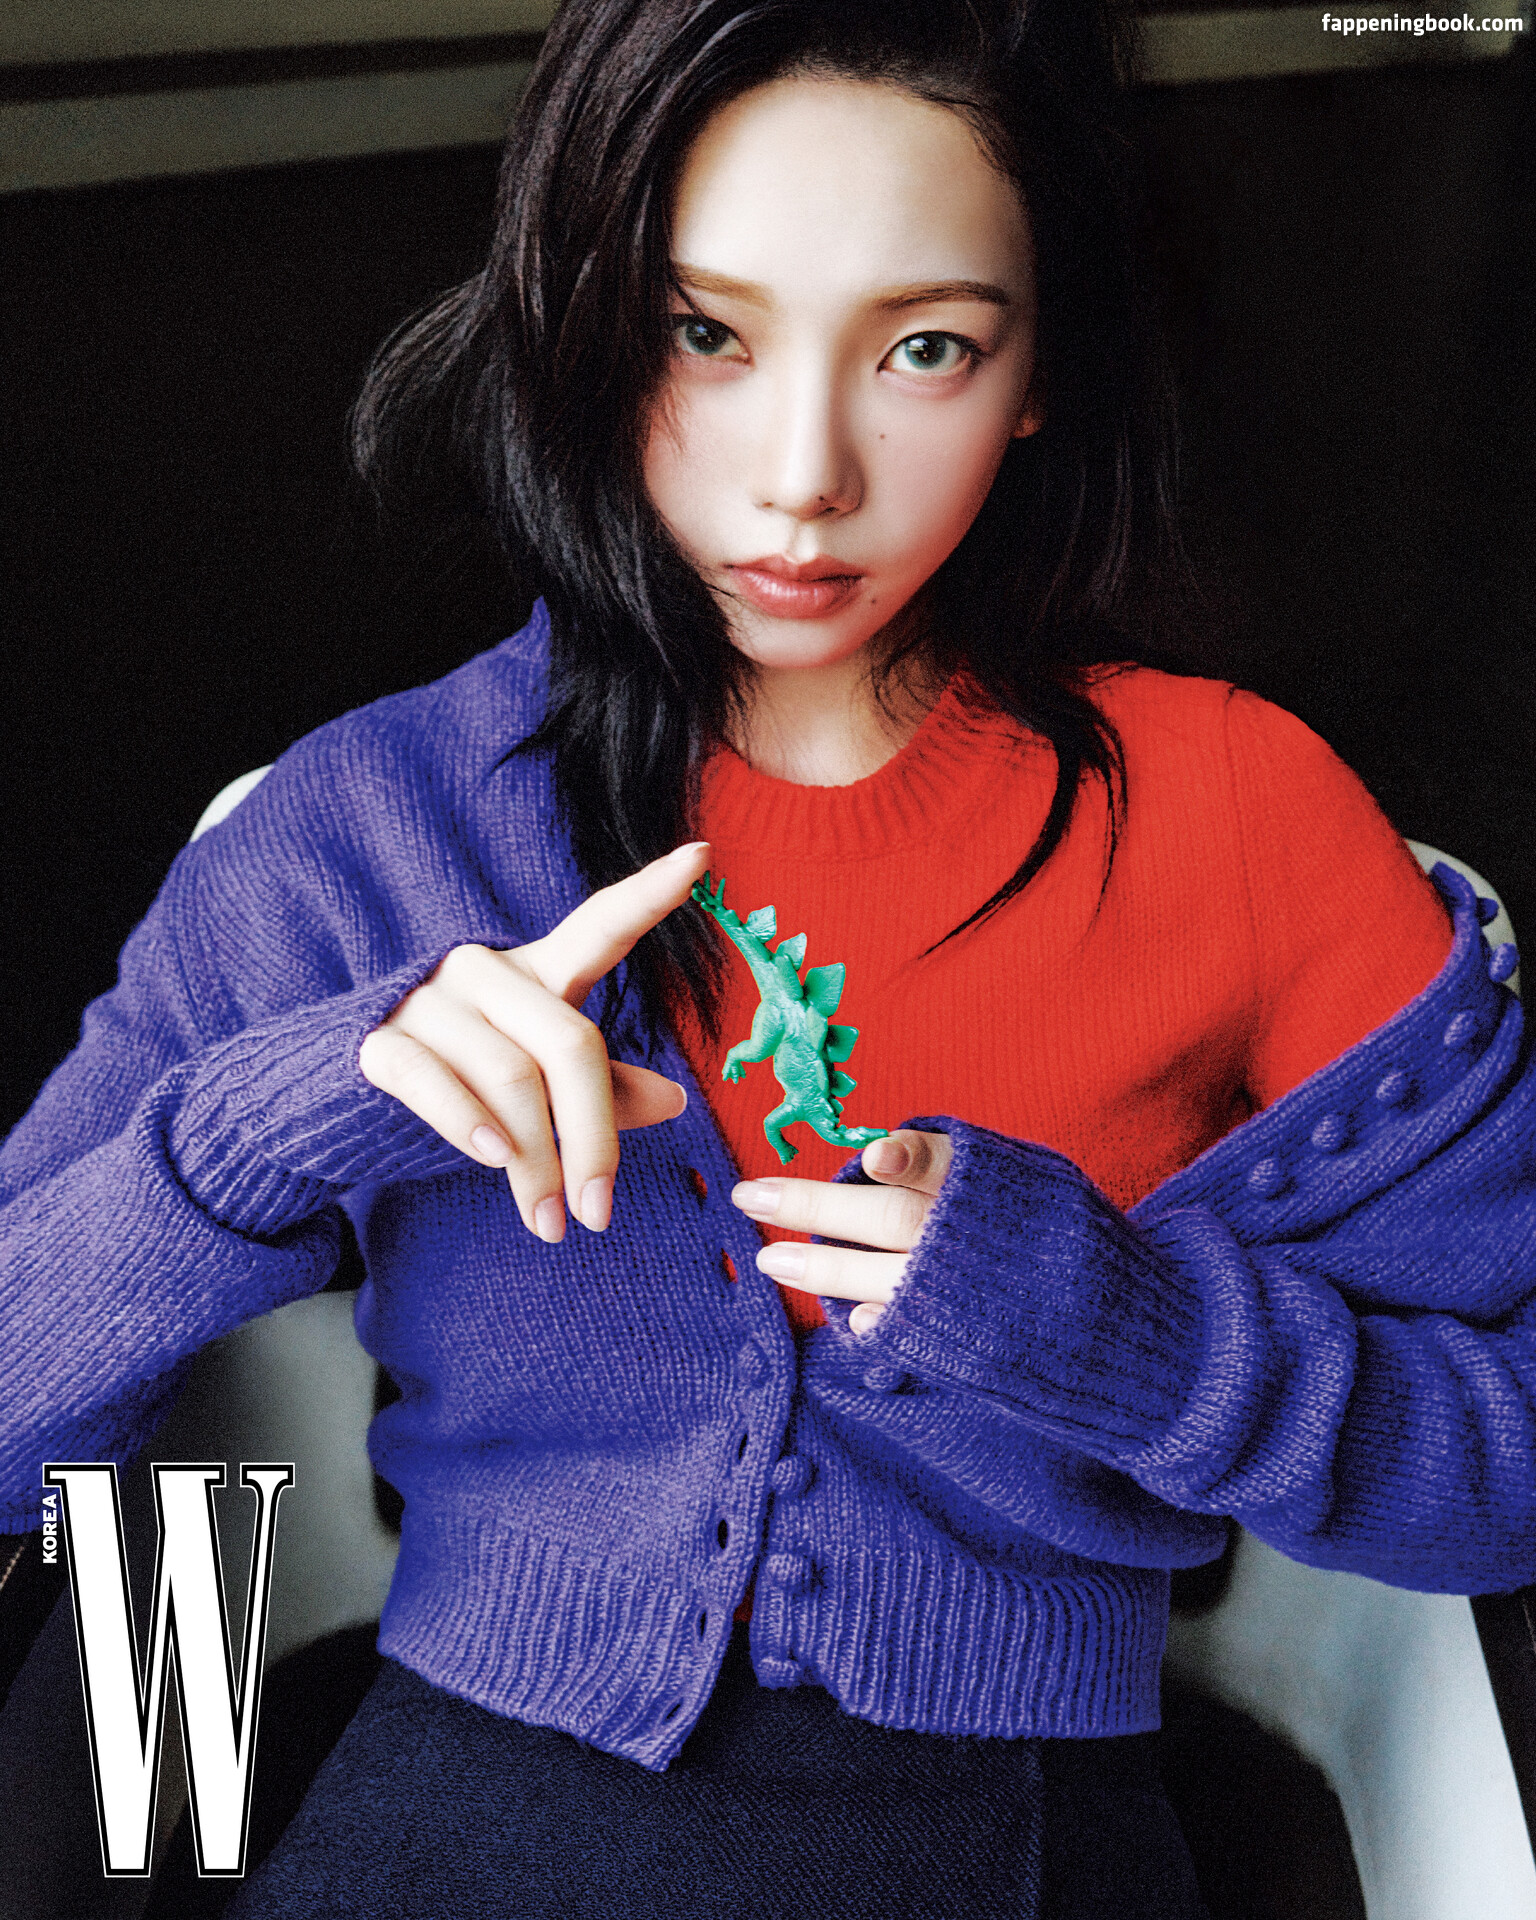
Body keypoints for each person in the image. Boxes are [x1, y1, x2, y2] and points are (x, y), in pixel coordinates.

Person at [2, 2, 1533, 1914]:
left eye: (925, 347)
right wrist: (257, 1138)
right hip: (442, 1822)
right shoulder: (363, 828)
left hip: (1017, 1838)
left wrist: (1130, 1331)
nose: (804, 474)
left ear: (1042, 368)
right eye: (701, 333)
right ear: (580, 320)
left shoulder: (1244, 817)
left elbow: (1511, 1461)